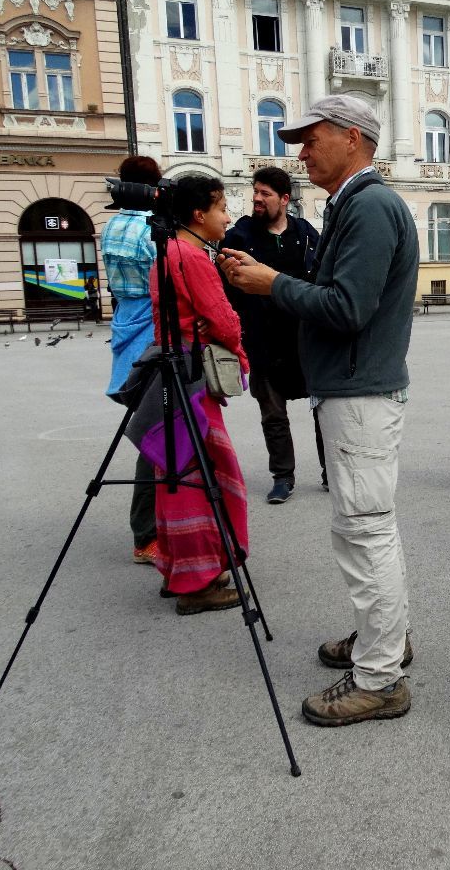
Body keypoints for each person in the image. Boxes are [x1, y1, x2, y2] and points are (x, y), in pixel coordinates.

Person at [219, 94, 419, 728]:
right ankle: (384, 644)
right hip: (354, 388)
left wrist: (269, 284)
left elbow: (348, 307)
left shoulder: (370, 206)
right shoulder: (357, 204)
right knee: (363, 528)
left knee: (364, 530)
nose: (300, 152)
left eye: (312, 139)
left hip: (360, 393)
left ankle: (382, 676)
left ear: (353, 138)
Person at [150, 175, 249, 615]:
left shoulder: (164, 253)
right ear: (198, 214)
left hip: (171, 376)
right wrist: (230, 332)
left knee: (175, 474)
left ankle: (182, 571)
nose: (227, 216)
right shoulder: (191, 256)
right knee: (203, 475)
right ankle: (199, 580)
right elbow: (225, 322)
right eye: (222, 207)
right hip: (193, 381)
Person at [221, 166, 326, 505]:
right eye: (255, 193)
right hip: (262, 340)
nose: (257, 199)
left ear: (284, 199)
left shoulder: (308, 235)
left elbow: (322, 281)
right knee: (273, 415)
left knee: (323, 410)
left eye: (265, 194)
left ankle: (331, 472)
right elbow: (227, 288)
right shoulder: (239, 236)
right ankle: (283, 476)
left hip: (306, 339)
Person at [101, 155, 163, 566]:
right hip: (150, 327)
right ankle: (146, 535)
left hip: (125, 321)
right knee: (155, 436)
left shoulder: (112, 226)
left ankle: (154, 527)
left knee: (151, 432)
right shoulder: (149, 230)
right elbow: (165, 279)